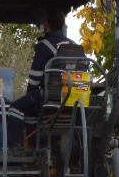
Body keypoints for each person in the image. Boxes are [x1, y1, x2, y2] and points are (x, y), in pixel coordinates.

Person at [8, 8, 73, 142]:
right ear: (61, 25)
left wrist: (30, 95)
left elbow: (34, 79)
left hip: (51, 95)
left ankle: (14, 148)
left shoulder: (44, 46)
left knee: (15, 108)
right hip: (74, 96)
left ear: (47, 25)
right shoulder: (74, 46)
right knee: (32, 108)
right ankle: (36, 143)